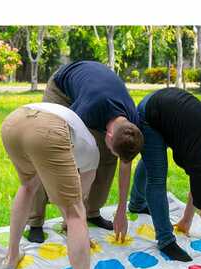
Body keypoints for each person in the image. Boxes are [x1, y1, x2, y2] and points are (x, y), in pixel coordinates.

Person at [1, 102, 113, 269]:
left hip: (13, 123)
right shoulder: (93, 156)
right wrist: (73, 226)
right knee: (75, 213)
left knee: (27, 186)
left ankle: (11, 257)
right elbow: (79, 202)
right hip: (47, 129)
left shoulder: (81, 139)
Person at [27, 60, 144, 243]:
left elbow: (125, 164)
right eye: (113, 147)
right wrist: (71, 219)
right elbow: (66, 157)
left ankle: (91, 212)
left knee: (106, 159)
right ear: (110, 135)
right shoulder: (87, 110)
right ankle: (35, 221)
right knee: (50, 154)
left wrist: (122, 209)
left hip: (94, 94)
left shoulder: (131, 122)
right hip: (61, 89)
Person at [128, 87, 201, 262]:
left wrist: (186, 222)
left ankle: (136, 203)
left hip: (167, 107)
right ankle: (165, 240)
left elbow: (196, 190)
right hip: (150, 113)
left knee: (152, 158)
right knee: (157, 178)